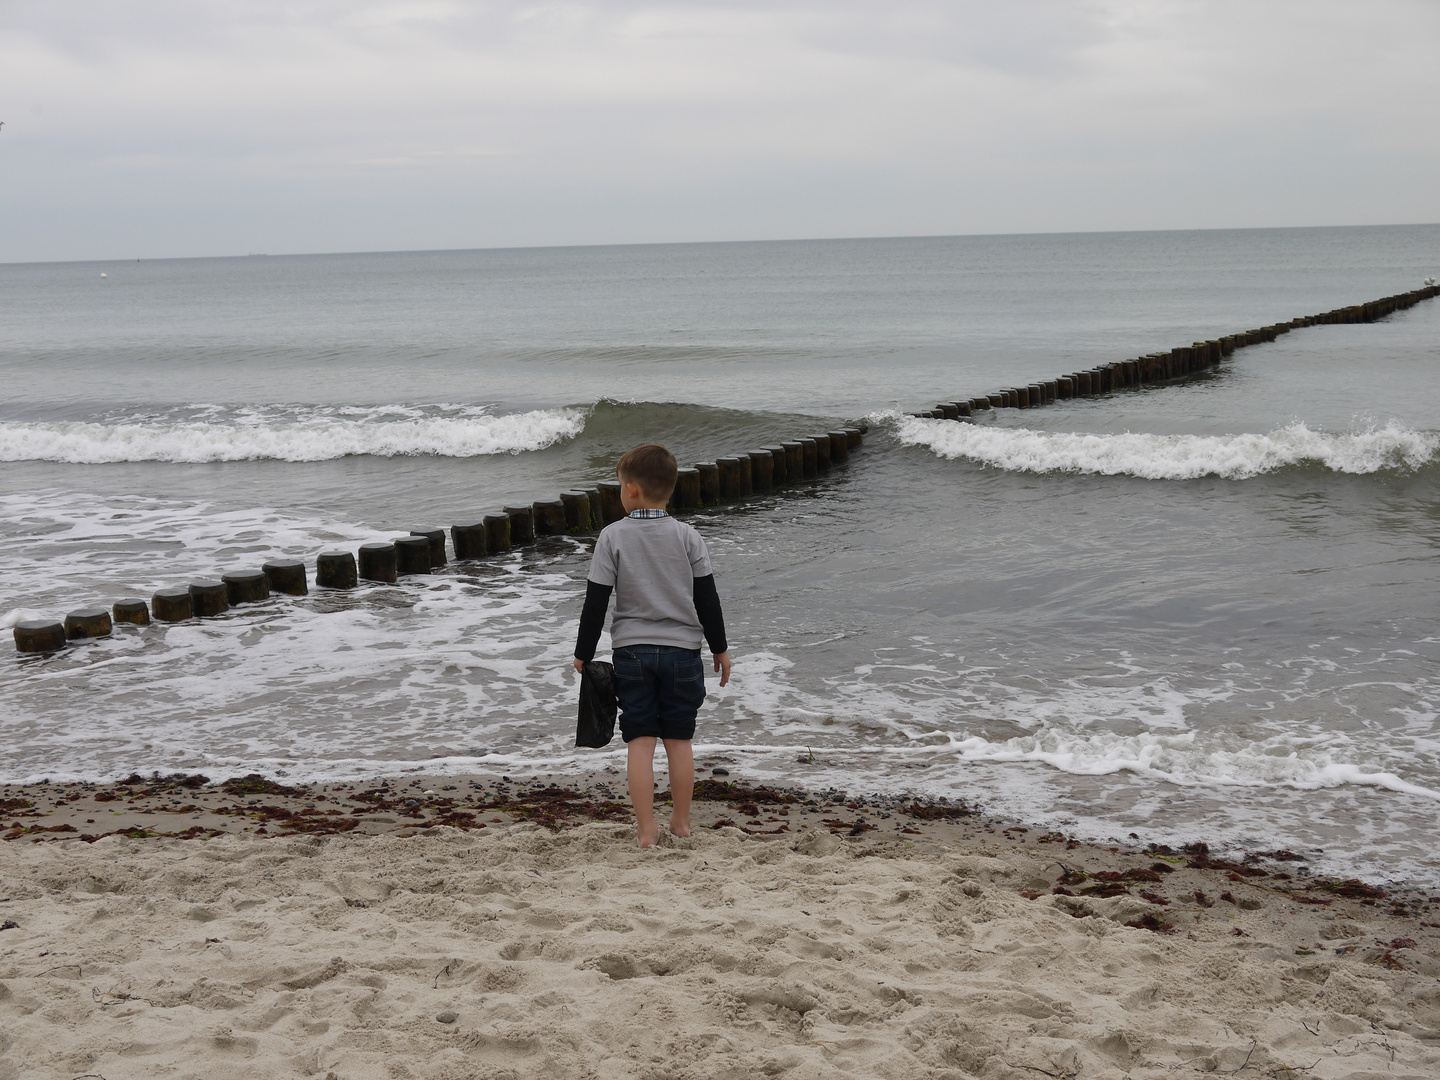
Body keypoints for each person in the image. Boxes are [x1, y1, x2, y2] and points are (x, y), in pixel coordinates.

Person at [573, 444, 731, 848]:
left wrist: (584, 652)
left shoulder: (612, 536)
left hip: (632, 654)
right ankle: (680, 823)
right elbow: (707, 599)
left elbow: (596, 600)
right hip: (682, 653)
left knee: (640, 742)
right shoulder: (687, 536)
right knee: (679, 741)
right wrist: (720, 648)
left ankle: (646, 830)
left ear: (631, 490)